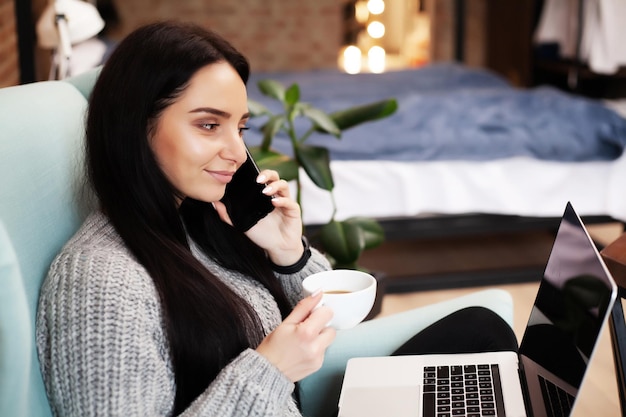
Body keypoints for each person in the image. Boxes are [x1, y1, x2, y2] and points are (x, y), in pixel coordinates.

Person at [36, 21, 518, 417]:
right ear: (135, 127)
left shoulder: (199, 221)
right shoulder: (100, 280)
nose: (235, 151)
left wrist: (288, 253)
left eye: (239, 127)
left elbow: (334, 323)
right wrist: (269, 369)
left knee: (481, 333)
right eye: (208, 125)